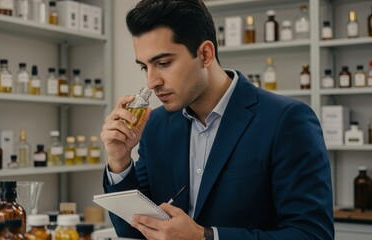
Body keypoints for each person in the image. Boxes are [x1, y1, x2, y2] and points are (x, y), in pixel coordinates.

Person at [100, 0, 334, 239]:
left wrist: (205, 236)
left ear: (205, 54)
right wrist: (119, 160)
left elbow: (312, 234)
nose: (152, 82)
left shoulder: (286, 120)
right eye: (144, 67)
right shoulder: (156, 124)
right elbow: (134, 230)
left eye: (163, 63)